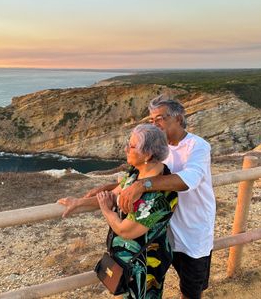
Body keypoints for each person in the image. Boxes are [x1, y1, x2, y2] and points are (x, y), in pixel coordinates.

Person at [82, 96, 216, 299]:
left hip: (192, 233)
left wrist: (142, 186)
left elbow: (189, 180)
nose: (155, 124)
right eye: (152, 120)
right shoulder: (158, 146)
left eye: (160, 118)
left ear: (178, 118)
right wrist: (107, 187)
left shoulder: (198, 146)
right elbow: (137, 175)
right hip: (161, 234)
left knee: (190, 291)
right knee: (153, 284)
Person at [58, 124, 178, 298]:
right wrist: (78, 202)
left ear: (148, 153)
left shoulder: (157, 196)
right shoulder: (136, 174)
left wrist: (107, 211)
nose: (126, 149)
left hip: (145, 266)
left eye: (132, 146)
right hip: (129, 262)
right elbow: (112, 197)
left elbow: (124, 229)